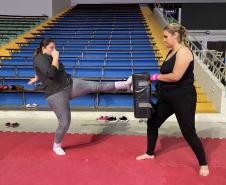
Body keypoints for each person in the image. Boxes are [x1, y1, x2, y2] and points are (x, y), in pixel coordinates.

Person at [28, 38, 132, 156]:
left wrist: (38, 77)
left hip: (70, 84)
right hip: (56, 94)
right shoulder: (40, 57)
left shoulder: (49, 57)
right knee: (65, 122)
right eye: (51, 48)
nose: (54, 50)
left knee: (96, 86)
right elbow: (51, 73)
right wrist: (55, 58)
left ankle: (125, 84)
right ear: (43, 48)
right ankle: (56, 145)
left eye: (54, 47)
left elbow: (45, 70)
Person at [135, 23, 209, 176]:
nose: (164, 39)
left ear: (175, 35)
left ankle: (203, 163)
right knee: (153, 122)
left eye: (166, 36)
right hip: (167, 97)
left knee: (188, 132)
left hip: (183, 97)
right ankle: (149, 153)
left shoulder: (184, 52)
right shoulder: (170, 52)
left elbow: (176, 76)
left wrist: (153, 77)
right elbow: (166, 76)